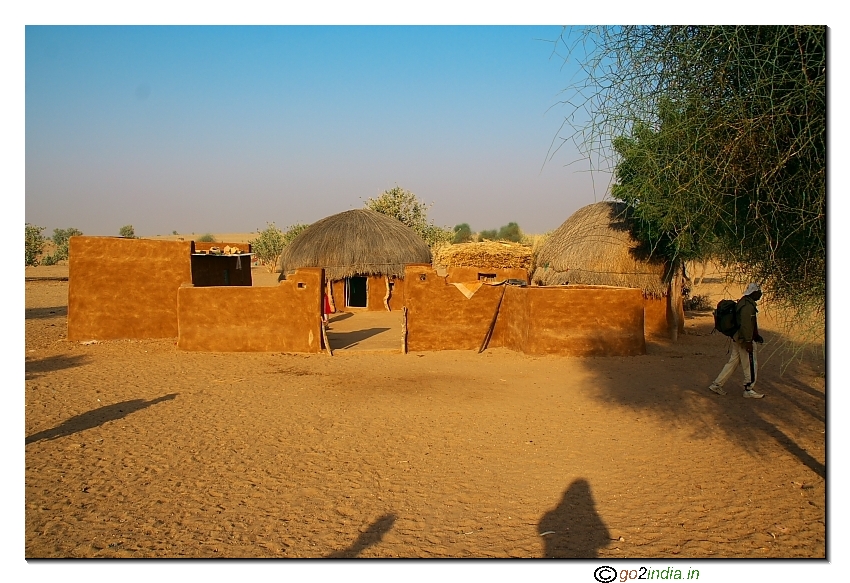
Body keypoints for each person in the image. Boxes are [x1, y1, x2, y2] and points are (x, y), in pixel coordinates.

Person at [709, 283, 766, 398]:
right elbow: (746, 325)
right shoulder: (747, 306)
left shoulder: (744, 302)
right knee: (750, 363)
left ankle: (717, 384)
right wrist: (749, 342)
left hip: (737, 338)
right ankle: (748, 389)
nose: (760, 295)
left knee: (733, 362)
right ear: (753, 292)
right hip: (743, 340)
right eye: (759, 292)